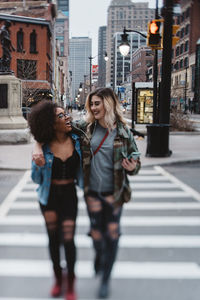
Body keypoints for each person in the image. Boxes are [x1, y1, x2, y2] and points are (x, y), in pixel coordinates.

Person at [33, 88, 141, 299]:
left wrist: (132, 167)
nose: (93, 108)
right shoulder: (84, 129)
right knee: (98, 237)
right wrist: (37, 145)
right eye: (91, 104)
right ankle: (99, 256)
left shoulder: (124, 132)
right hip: (92, 192)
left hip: (115, 192)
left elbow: (135, 162)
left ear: (108, 104)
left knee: (112, 233)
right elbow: (46, 129)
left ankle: (105, 279)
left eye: (97, 103)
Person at [29, 100, 83, 300]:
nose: (66, 117)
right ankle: (58, 279)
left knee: (68, 239)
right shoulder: (43, 146)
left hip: (69, 194)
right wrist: (38, 163)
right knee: (53, 240)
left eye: (66, 113)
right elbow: (35, 179)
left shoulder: (77, 139)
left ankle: (70, 283)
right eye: (61, 116)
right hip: (49, 196)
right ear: (51, 124)